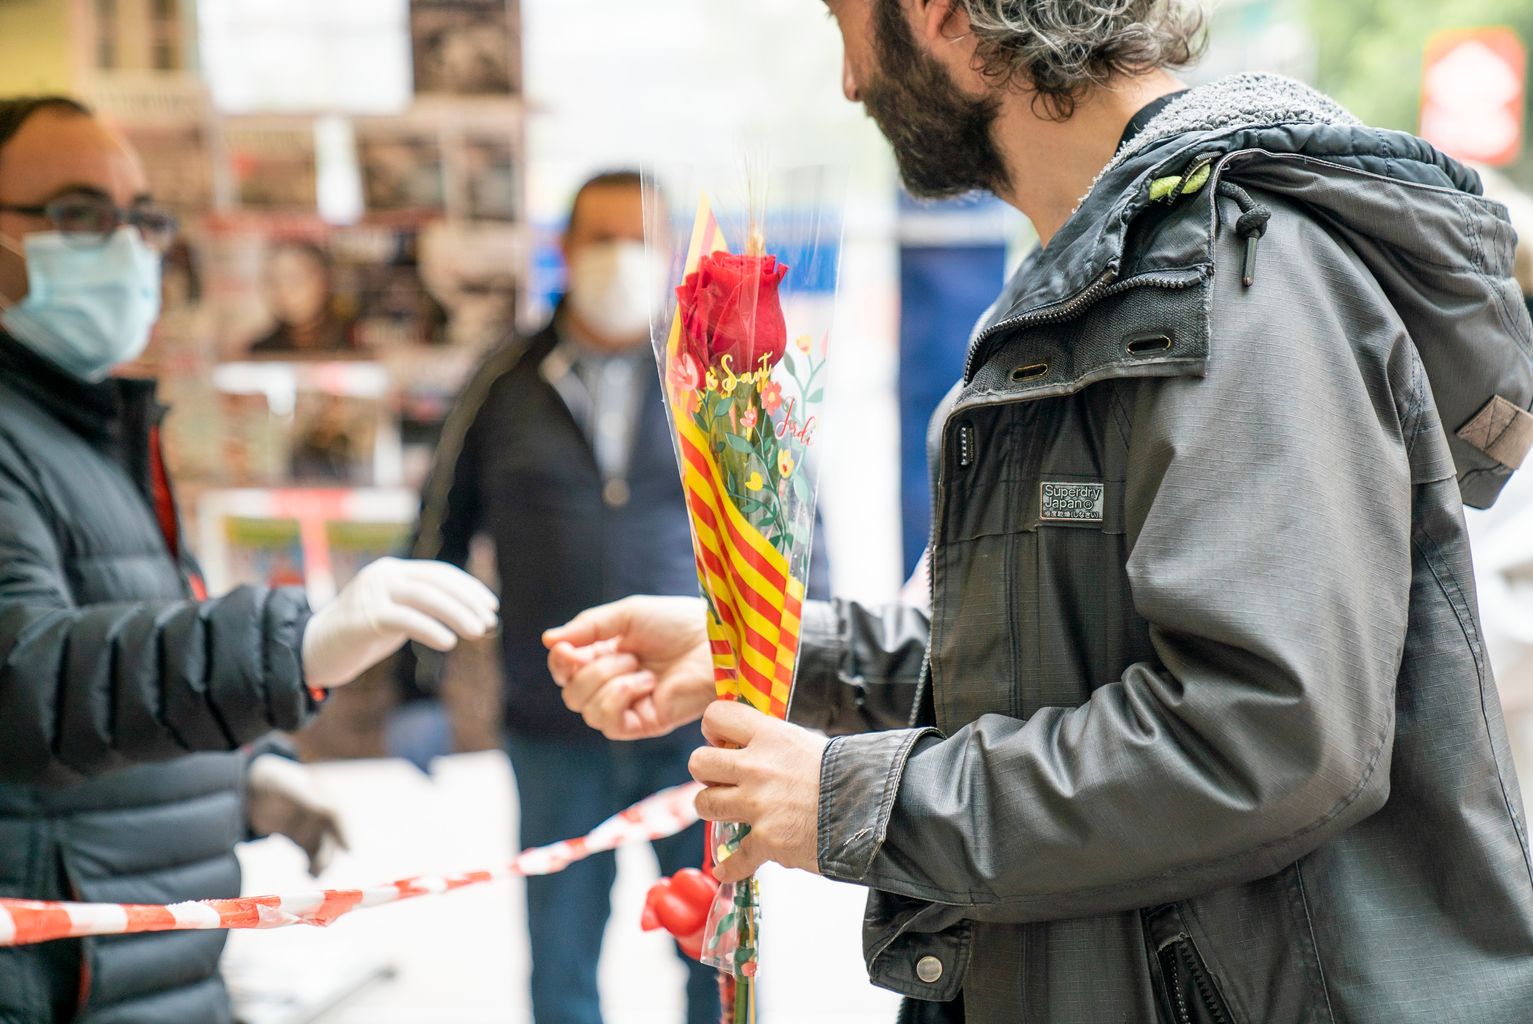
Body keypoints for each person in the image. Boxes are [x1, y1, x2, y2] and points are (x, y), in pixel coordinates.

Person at [546, 4, 1533, 1023]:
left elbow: (1264, 734)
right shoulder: (1101, 269)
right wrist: (791, 656)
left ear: (938, 12)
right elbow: (1051, 665)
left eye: (846, 22)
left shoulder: (1241, 273)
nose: (849, 81)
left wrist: (855, 802)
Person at [0, 95, 499, 1024]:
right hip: (66, 979)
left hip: (147, 972)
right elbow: (29, 679)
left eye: (140, 218)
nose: (125, 246)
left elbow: (129, 666)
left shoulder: (92, 424)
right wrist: (294, 645)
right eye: (77, 214)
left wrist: (243, 775)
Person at [402, 169, 827, 1024]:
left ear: (668, 251)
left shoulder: (720, 380)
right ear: (562, 249)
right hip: (552, 723)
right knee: (561, 962)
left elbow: (794, 523)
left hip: (701, 726)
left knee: (718, 954)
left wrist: (812, 672)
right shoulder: (504, 381)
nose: (618, 258)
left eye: (637, 239)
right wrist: (417, 684)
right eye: (600, 239)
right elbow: (436, 527)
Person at [248, 239, 361, 356]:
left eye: (295, 279)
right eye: (273, 281)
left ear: (324, 280)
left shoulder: (356, 340)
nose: (284, 291)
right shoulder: (262, 351)